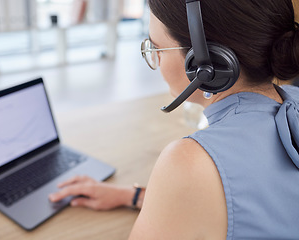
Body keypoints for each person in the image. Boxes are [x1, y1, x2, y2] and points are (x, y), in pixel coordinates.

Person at [49, 0, 299, 239]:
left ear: (208, 64)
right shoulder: (295, 102)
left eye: (157, 47)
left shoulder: (189, 162)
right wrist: (134, 197)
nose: (155, 60)